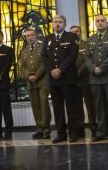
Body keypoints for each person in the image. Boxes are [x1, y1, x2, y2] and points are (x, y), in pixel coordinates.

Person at [42, 15, 83, 143]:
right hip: (53, 79)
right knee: (57, 107)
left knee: (72, 107)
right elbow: (44, 57)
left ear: (65, 24)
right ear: (52, 24)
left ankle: (73, 133)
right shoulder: (47, 38)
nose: (57, 24)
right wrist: (52, 71)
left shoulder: (71, 37)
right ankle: (61, 133)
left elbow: (72, 56)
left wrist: (60, 69)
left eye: (60, 22)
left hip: (68, 77)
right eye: (55, 22)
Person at [17, 28, 50, 139]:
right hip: (30, 82)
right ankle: (39, 129)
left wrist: (36, 75)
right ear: (25, 38)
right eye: (27, 36)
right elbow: (22, 66)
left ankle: (46, 129)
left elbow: (45, 63)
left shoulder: (42, 47)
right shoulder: (24, 51)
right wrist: (28, 76)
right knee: (35, 106)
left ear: (36, 36)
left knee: (44, 105)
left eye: (32, 35)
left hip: (42, 81)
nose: (30, 37)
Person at [70, 25, 96, 134]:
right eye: (73, 32)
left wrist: (79, 71)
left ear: (81, 32)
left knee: (90, 104)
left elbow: (89, 59)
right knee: (77, 105)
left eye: (77, 31)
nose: (75, 33)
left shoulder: (87, 44)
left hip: (86, 78)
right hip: (73, 80)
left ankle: (93, 124)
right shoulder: (68, 45)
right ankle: (80, 127)